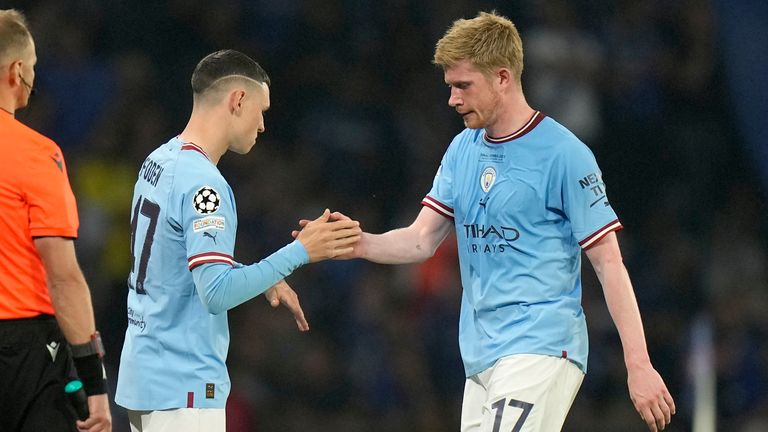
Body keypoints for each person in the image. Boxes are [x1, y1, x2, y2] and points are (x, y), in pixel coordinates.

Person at [295, 11, 675, 432]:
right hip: (479, 355)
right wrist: (356, 242)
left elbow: (609, 265)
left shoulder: (565, 155)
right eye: (450, 87)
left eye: (463, 86)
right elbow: (421, 240)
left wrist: (638, 365)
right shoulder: (462, 149)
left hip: (542, 346)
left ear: (502, 78)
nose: (453, 99)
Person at [114, 49, 361, 432]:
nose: (262, 125)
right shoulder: (205, 184)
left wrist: (259, 276)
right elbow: (216, 293)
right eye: (261, 111)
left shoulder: (159, 159)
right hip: (184, 387)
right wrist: (300, 252)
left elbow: (174, 259)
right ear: (238, 100)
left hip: (144, 375)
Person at [0, 8, 112, 432]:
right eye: (32, 68)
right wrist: (94, 384)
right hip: (25, 353)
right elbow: (62, 276)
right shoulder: (37, 154)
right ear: (16, 71)